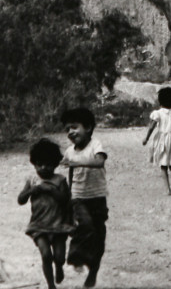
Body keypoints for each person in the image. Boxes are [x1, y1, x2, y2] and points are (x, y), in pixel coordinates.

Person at [17, 138, 74, 289]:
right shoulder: (32, 180)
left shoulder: (60, 180)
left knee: (60, 257)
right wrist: (30, 191)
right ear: (33, 163)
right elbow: (20, 200)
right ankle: (50, 285)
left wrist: (51, 190)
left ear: (55, 164)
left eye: (48, 164)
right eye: (39, 164)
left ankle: (59, 267)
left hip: (58, 224)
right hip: (39, 225)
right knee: (46, 255)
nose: (43, 168)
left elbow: (65, 200)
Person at [61, 107, 107, 289]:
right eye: (67, 130)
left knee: (99, 237)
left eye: (74, 127)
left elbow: (99, 161)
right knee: (85, 224)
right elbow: (71, 174)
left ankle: (93, 272)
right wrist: (69, 196)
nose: (70, 132)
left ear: (87, 127)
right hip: (78, 197)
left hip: (98, 198)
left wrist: (77, 161)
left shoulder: (95, 144)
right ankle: (75, 255)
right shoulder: (70, 151)